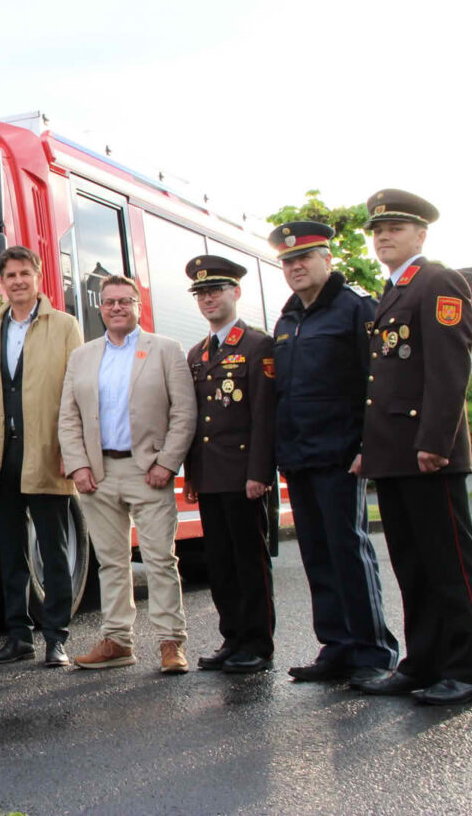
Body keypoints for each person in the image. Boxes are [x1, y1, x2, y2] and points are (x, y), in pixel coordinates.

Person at [354, 189, 472, 705]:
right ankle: (424, 662)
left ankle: (469, 670)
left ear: (421, 234)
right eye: (377, 230)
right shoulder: (392, 290)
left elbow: (448, 368)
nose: (383, 236)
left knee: (449, 565)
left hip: (426, 453)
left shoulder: (437, 280)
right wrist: (371, 448)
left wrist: (435, 441)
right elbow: (383, 382)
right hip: (394, 456)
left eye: (395, 228)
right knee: (412, 566)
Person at [268, 221, 398, 685]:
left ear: (328, 259)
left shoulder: (355, 309)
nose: (295, 267)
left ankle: (372, 650)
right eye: (287, 261)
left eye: (304, 258)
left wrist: (369, 445)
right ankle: (337, 645)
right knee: (316, 553)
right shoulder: (287, 320)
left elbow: (376, 382)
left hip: (342, 454)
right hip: (299, 455)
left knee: (348, 549)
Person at [60, 274, 197, 674]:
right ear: (99, 307)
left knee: (159, 559)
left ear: (138, 305)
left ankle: (171, 643)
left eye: (124, 301)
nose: (116, 308)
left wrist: (166, 463)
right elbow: (68, 416)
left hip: (147, 471)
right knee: (111, 562)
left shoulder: (165, 350)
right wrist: (79, 465)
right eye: (109, 302)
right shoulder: (82, 356)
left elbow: (184, 413)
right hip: (98, 474)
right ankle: (117, 641)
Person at [0, 246, 83, 667]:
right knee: (10, 551)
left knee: (53, 549)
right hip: (1, 454)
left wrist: (74, 452)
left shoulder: (65, 326)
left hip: (47, 452)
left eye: (24, 273)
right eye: (9, 275)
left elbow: (77, 395)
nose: (17, 281)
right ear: (1, 282)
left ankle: (56, 637)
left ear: (38, 277)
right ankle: (18, 637)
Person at [180, 257, 277, 673]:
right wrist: (192, 476)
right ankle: (231, 638)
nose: (208, 299)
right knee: (219, 563)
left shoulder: (258, 346)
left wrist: (260, 473)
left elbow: (264, 416)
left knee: (249, 563)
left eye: (215, 290)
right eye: (201, 293)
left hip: (243, 476)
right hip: (210, 475)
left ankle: (257, 643)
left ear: (236, 293)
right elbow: (193, 419)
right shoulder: (198, 352)